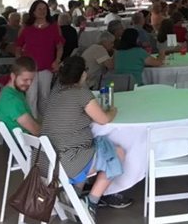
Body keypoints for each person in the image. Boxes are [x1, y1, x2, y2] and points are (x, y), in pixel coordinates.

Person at [42, 56, 132, 215]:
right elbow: (103, 119)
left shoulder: (55, 90)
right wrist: (113, 111)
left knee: (93, 147)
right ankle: (91, 202)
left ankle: (74, 195)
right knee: (116, 153)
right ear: (83, 74)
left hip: (45, 160)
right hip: (66, 163)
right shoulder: (81, 94)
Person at [15, 0, 65, 119]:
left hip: (46, 66)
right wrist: (20, 62)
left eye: (44, 9)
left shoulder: (53, 27)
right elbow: (18, 46)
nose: (42, 11)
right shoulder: (26, 28)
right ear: (33, 11)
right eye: (39, 9)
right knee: (31, 96)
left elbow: (59, 46)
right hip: (29, 67)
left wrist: (57, 60)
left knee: (45, 95)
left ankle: (45, 122)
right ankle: (32, 123)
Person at [0, 56, 40, 135]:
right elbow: (35, 130)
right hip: (25, 141)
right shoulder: (12, 100)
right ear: (13, 76)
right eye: (25, 80)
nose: (29, 83)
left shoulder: (9, 91)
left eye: (31, 79)